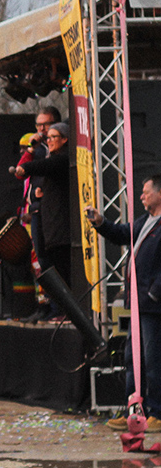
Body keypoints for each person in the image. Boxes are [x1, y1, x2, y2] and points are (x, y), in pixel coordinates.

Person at [88, 175, 161, 432]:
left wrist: (154, 293)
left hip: (152, 306)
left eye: (145, 192)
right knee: (133, 359)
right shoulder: (145, 222)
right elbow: (122, 233)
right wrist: (100, 222)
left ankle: (157, 413)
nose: (141, 196)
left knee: (152, 360)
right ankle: (134, 411)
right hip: (139, 304)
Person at [14, 121, 72, 316]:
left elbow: (38, 167)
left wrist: (28, 167)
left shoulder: (63, 159)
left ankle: (63, 311)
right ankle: (56, 309)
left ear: (64, 139)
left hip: (60, 226)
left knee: (60, 268)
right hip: (48, 223)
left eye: (52, 137)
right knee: (46, 265)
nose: (48, 140)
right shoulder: (46, 155)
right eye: (48, 138)